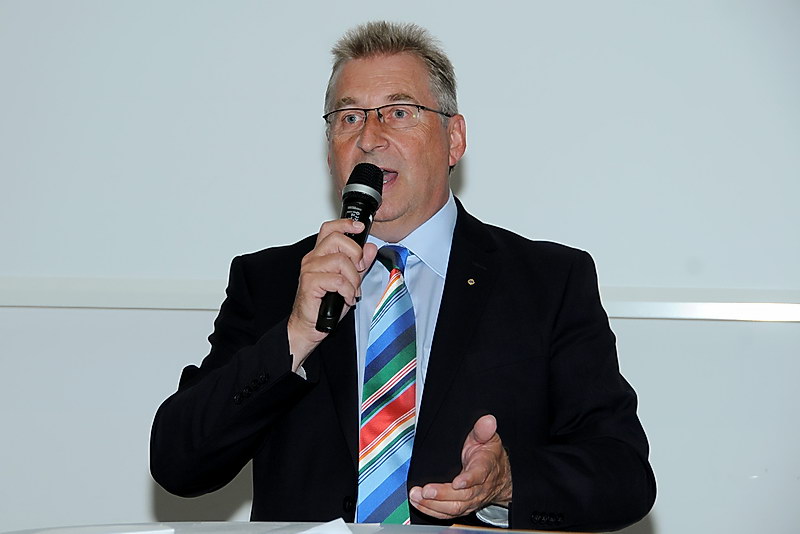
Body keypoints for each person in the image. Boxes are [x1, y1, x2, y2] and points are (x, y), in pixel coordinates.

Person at [150, 21, 656, 531]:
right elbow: (178, 464)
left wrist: (507, 483)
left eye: (398, 112)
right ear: (329, 148)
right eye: (349, 118)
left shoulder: (547, 282)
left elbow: (623, 473)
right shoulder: (271, 281)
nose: (369, 139)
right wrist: (295, 336)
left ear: (454, 139)